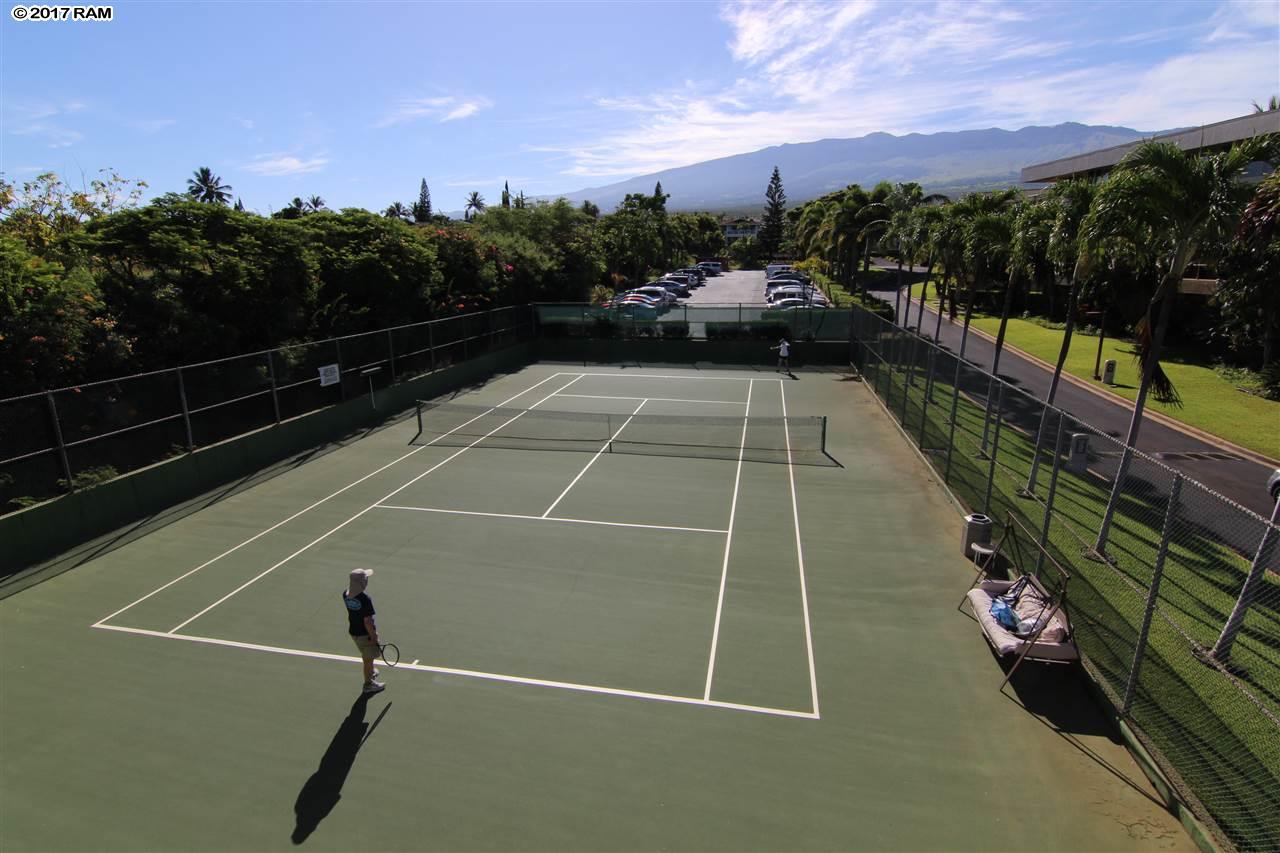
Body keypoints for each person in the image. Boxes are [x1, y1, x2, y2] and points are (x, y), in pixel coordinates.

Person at [342, 568, 384, 694]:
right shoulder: (365, 599)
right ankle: (368, 684)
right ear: (361, 582)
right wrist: (373, 635)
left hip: (353, 632)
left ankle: (370, 672)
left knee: (366, 655)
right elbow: (368, 621)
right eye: (365, 579)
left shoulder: (345, 594)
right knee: (368, 659)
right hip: (365, 634)